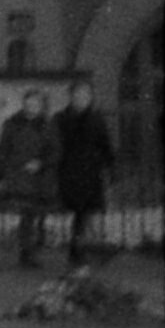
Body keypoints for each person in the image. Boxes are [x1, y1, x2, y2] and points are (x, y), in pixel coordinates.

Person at [0, 91, 58, 269]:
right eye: (28, 104)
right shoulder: (12, 124)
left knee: (35, 215)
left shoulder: (48, 125)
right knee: (27, 215)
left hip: (40, 177)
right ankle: (27, 252)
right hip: (19, 176)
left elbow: (55, 150)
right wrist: (3, 174)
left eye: (35, 104)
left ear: (40, 106)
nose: (31, 108)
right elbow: (3, 150)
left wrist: (41, 162)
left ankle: (30, 250)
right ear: (23, 104)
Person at [55, 80, 117, 257]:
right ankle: (79, 250)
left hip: (91, 172)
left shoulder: (97, 119)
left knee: (87, 212)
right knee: (80, 211)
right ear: (71, 96)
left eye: (86, 95)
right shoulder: (61, 119)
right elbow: (54, 145)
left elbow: (105, 145)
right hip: (70, 172)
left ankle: (80, 249)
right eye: (79, 95)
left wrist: (111, 167)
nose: (82, 98)